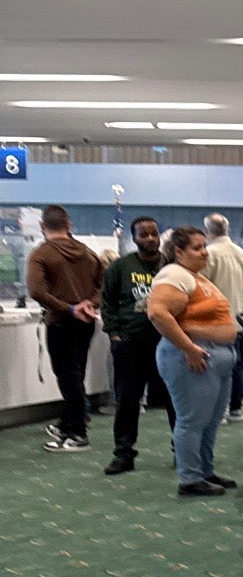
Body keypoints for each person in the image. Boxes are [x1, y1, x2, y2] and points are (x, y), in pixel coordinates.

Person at [147, 226, 239, 497]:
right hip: (193, 358)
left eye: (204, 247)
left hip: (215, 358)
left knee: (209, 421)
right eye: (197, 248)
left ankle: (205, 471)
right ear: (178, 252)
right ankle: (190, 478)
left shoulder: (195, 277)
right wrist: (188, 348)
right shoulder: (174, 274)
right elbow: (157, 313)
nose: (204, 253)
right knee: (192, 421)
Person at [100, 215, 175, 475]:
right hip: (129, 345)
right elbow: (107, 302)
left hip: (166, 343)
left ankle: (182, 451)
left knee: (174, 400)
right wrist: (115, 334)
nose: (151, 238)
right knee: (127, 401)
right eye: (144, 234)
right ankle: (123, 454)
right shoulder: (120, 267)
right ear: (134, 238)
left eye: (154, 233)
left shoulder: (171, 266)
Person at [26, 203, 104, 452]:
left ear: (42, 226)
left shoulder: (41, 254)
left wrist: (69, 309)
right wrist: (88, 305)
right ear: (69, 225)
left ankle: (78, 434)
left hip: (61, 322)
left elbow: (36, 291)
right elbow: (103, 286)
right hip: (86, 322)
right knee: (76, 375)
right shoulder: (88, 253)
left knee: (68, 378)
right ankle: (67, 424)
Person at [202, 214, 243, 421]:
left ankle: (220, 411)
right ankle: (235, 408)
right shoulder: (241, 253)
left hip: (216, 321)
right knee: (236, 364)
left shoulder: (209, 254)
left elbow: (201, 287)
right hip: (239, 319)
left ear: (207, 231)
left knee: (217, 367)